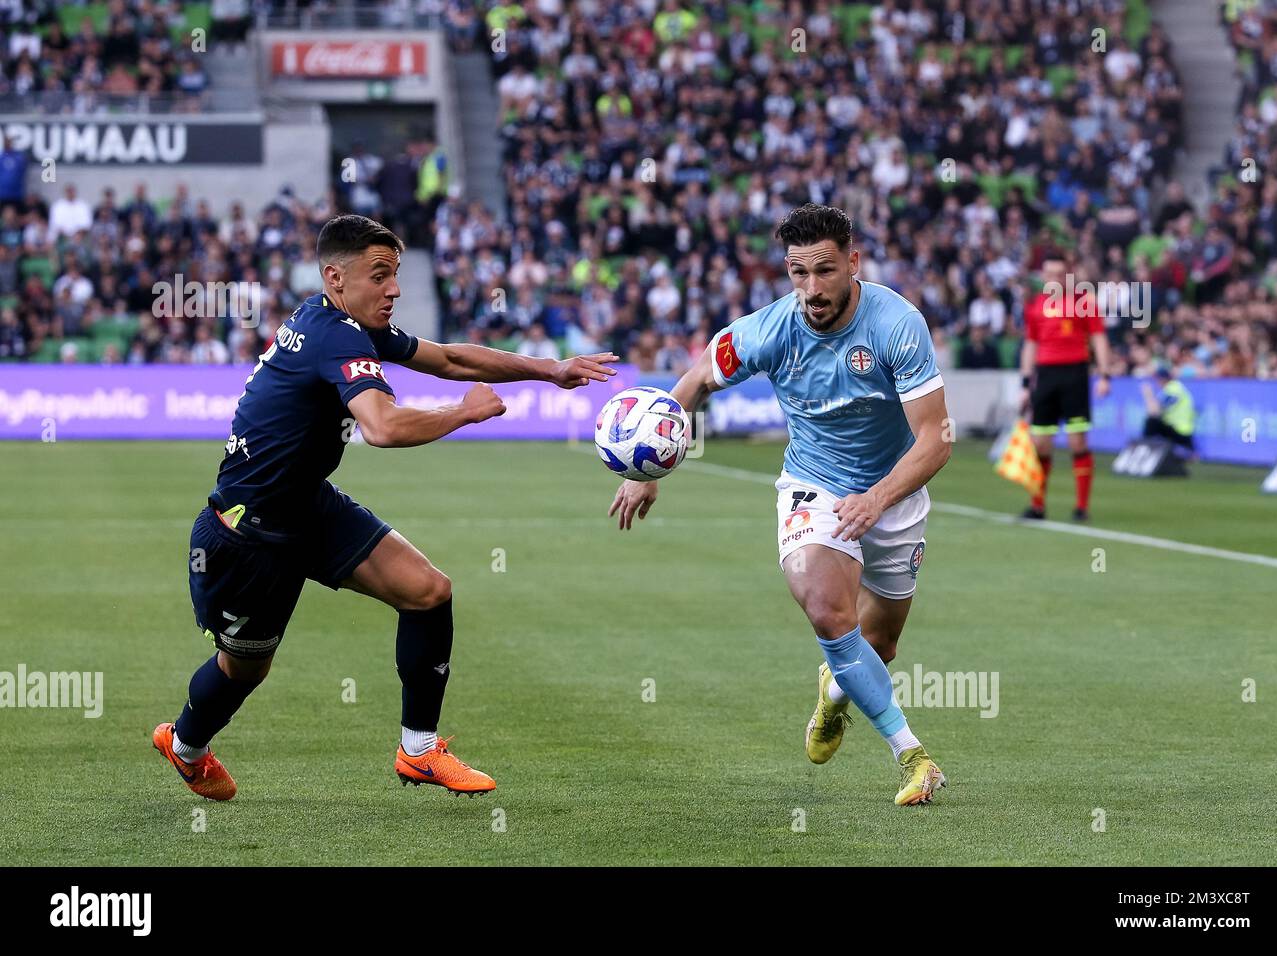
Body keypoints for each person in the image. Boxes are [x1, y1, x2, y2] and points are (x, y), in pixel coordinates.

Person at [154, 214, 617, 801]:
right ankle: (187, 746)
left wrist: (551, 370)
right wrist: (463, 414)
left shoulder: (340, 320)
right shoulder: (336, 335)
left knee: (428, 591)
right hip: (247, 534)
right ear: (335, 277)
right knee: (244, 670)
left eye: (395, 274)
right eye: (380, 275)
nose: (394, 288)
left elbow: (447, 360)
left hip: (306, 507)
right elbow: (383, 427)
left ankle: (419, 751)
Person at [608, 204, 951, 806]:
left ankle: (836, 689)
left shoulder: (898, 324)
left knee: (881, 646)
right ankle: (914, 757)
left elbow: (935, 437)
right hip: (813, 484)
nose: (812, 289)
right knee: (824, 607)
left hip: (892, 492)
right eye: (797, 273)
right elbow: (693, 383)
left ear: (852, 261)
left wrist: (876, 497)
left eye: (824, 271)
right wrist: (650, 466)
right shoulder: (766, 330)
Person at [1019, 258, 1112, 521]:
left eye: (1060, 274)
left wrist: (1105, 374)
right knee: (1040, 443)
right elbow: (1030, 344)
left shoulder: (1084, 303)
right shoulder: (1035, 306)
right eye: (1050, 274)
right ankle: (1037, 505)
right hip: (1046, 375)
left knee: (1077, 441)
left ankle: (1082, 507)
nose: (1056, 279)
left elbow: (1099, 338)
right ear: (1044, 276)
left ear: (1068, 275)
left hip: (1075, 373)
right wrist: (1025, 383)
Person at [1141, 366, 1195, 451]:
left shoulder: (1174, 389)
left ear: (1163, 379)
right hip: (1177, 429)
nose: (1156, 381)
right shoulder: (1171, 388)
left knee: (1151, 421)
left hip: (1180, 431)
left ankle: (1144, 448)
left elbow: (1154, 411)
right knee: (1153, 421)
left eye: (1157, 378)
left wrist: (1148, 394)